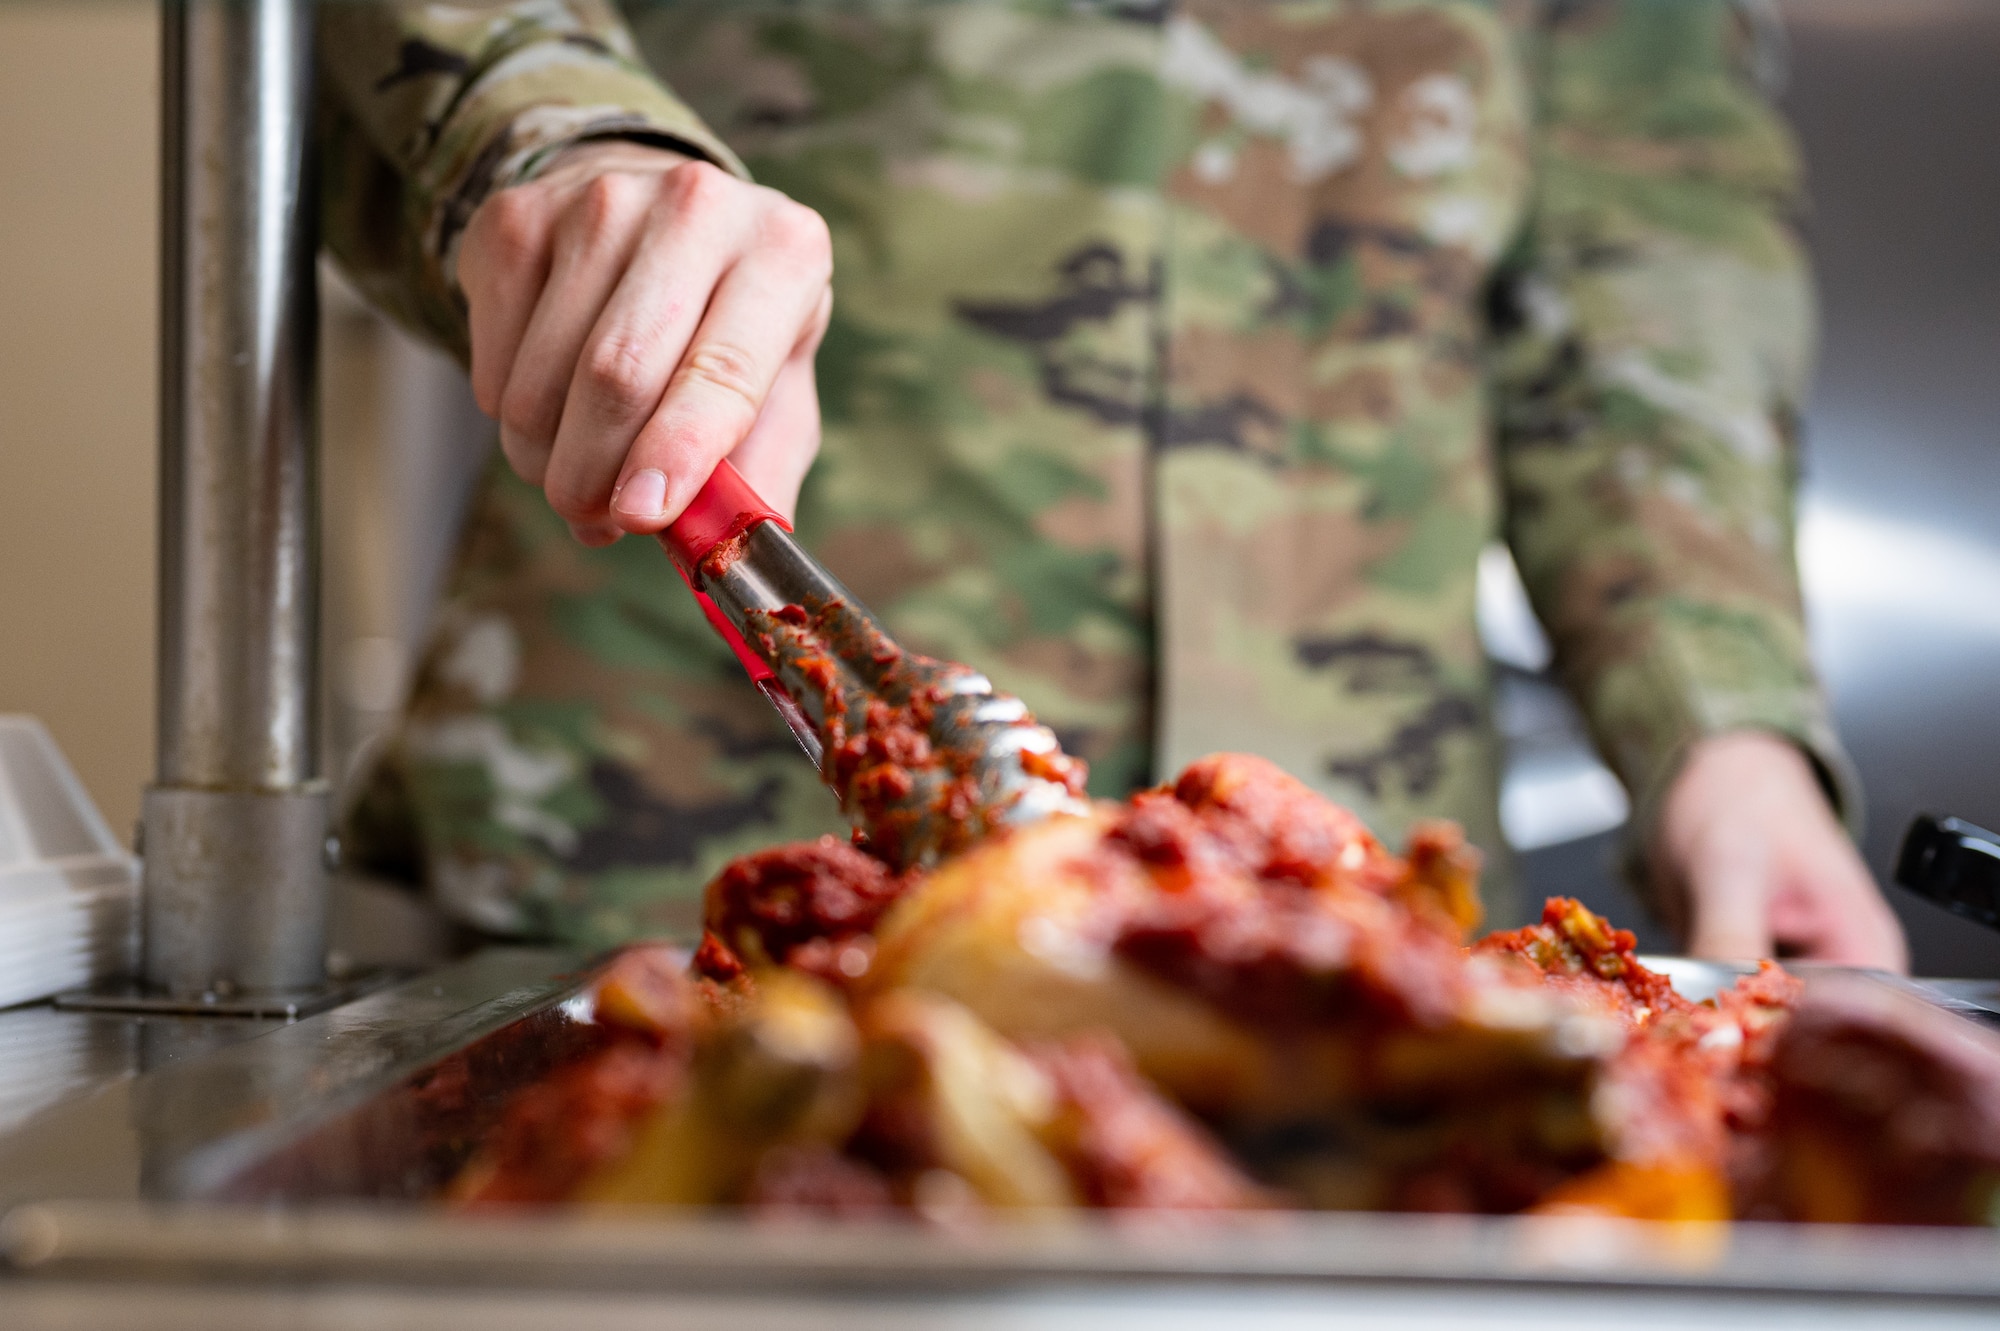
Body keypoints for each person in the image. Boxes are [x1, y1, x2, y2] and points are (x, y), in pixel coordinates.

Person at [322, 0, 1906, 968]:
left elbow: (1646, 256)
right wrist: (561, 131)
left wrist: (1723, 726)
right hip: (667, 861)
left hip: (1345, 908)